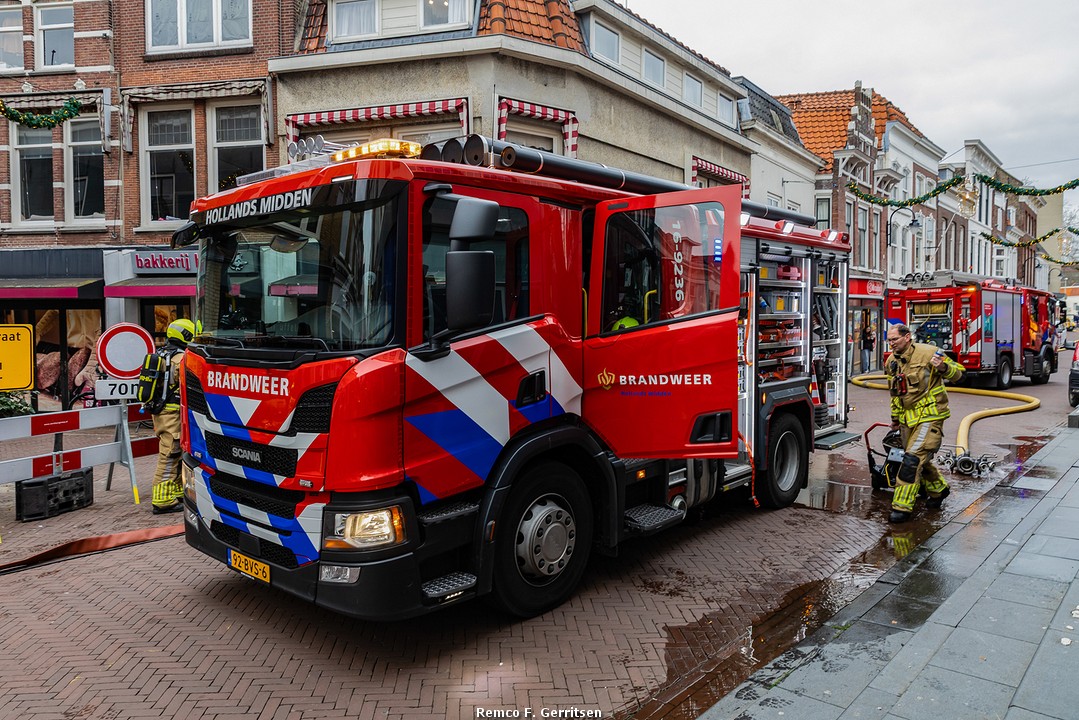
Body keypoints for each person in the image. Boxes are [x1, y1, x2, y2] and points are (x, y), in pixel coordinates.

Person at [884, 323, 964, 523]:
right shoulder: (891, 361)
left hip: (930, 416)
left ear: (907, 337)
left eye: (894, 339)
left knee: (911, 461)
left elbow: (959, 374)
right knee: (920, 460)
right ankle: (939, 490)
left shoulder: (929, 353)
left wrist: (943, 367)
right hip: (907, 421)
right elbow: (895, 395)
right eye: (889, 340)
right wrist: (895, 419)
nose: (891, 344)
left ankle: (901, 507)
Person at [150, 318, 194, 514]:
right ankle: (162, 501)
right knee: (169, 455)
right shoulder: (180, 359)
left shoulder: (162, 354)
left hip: (164, 413)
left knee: (176, 455)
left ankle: (175, 492)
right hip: (172, 414)